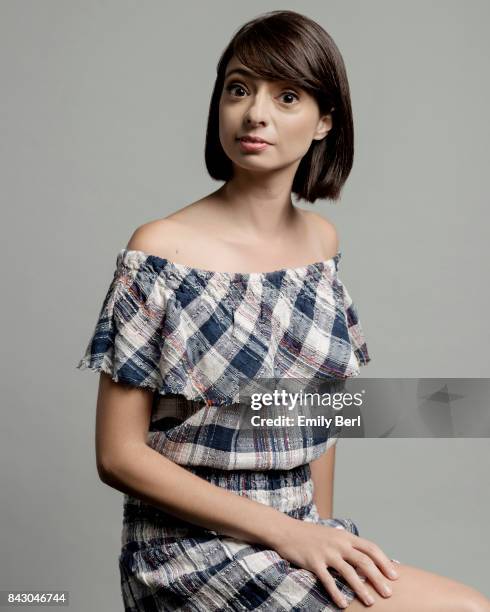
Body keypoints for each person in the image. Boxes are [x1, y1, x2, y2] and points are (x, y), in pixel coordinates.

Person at [77, 10, 490, 611]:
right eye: (238, 89)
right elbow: (118, 455)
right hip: (189, 550)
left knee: (469, 605)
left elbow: (315, 411)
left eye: (287, 95)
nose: (254, 113)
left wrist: (320, 533)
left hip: (297, 536)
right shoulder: (159, 250)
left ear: (325, 121)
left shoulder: (322, 243)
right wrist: (287, 534)